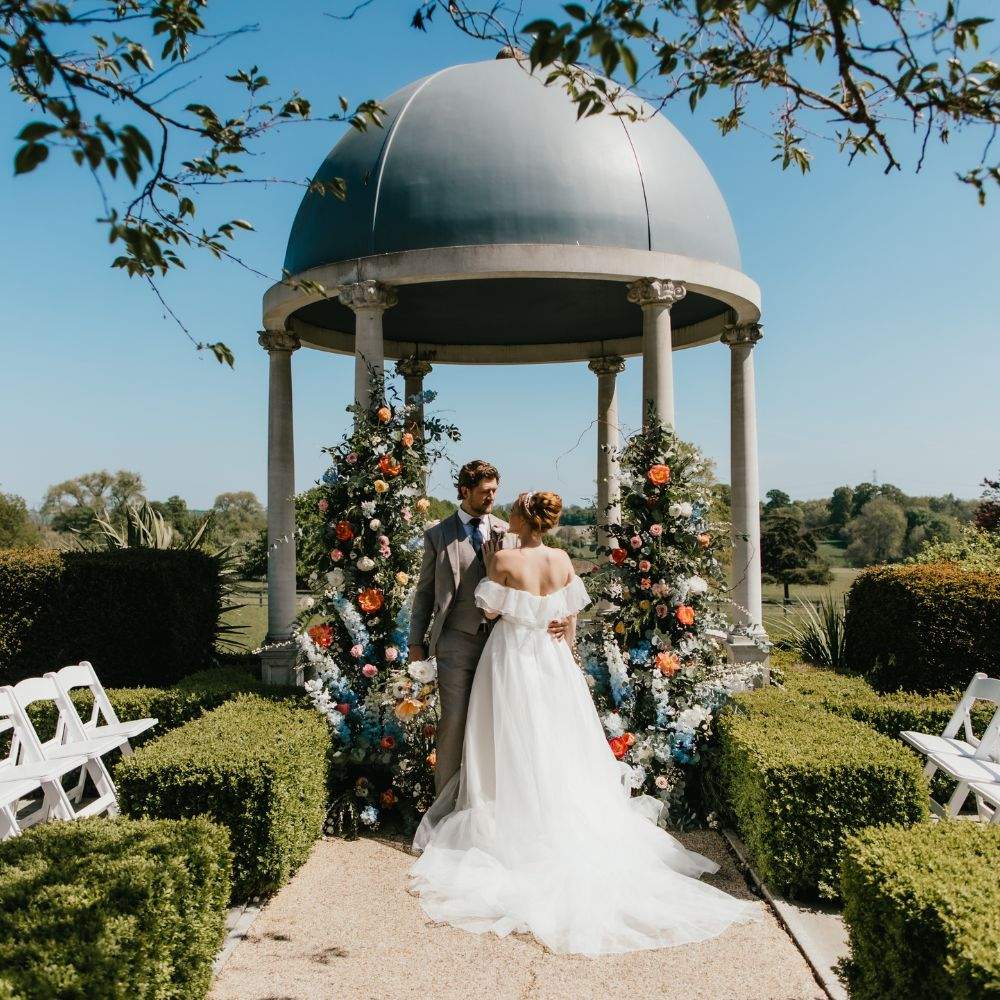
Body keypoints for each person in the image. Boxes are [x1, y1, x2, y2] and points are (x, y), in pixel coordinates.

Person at [410, 490, 760, 956]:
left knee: (508, 739)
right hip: (554, 662)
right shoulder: (561, 559)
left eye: (512, 508)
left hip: (512, 659)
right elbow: (570, 621)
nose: (506, 513)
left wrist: (507, 587)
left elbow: (490, 611)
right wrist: (559, 637)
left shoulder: (502, 560)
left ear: (522, 518)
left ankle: (512, 814)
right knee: (557, 741)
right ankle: (556, 813)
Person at [408, 461, 568, 794]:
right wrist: (415, 643)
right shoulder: (439, 534)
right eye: (485, 491)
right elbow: (424, 593)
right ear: (465, 491)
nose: (492, 497)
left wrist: (560, 618)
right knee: (454, 721)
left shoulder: (510, 531)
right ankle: (446, 806)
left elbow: (540, 584)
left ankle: (495, 801)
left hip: (505, 642)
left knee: (502, 724)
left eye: (495, 490)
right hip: (457, 641)